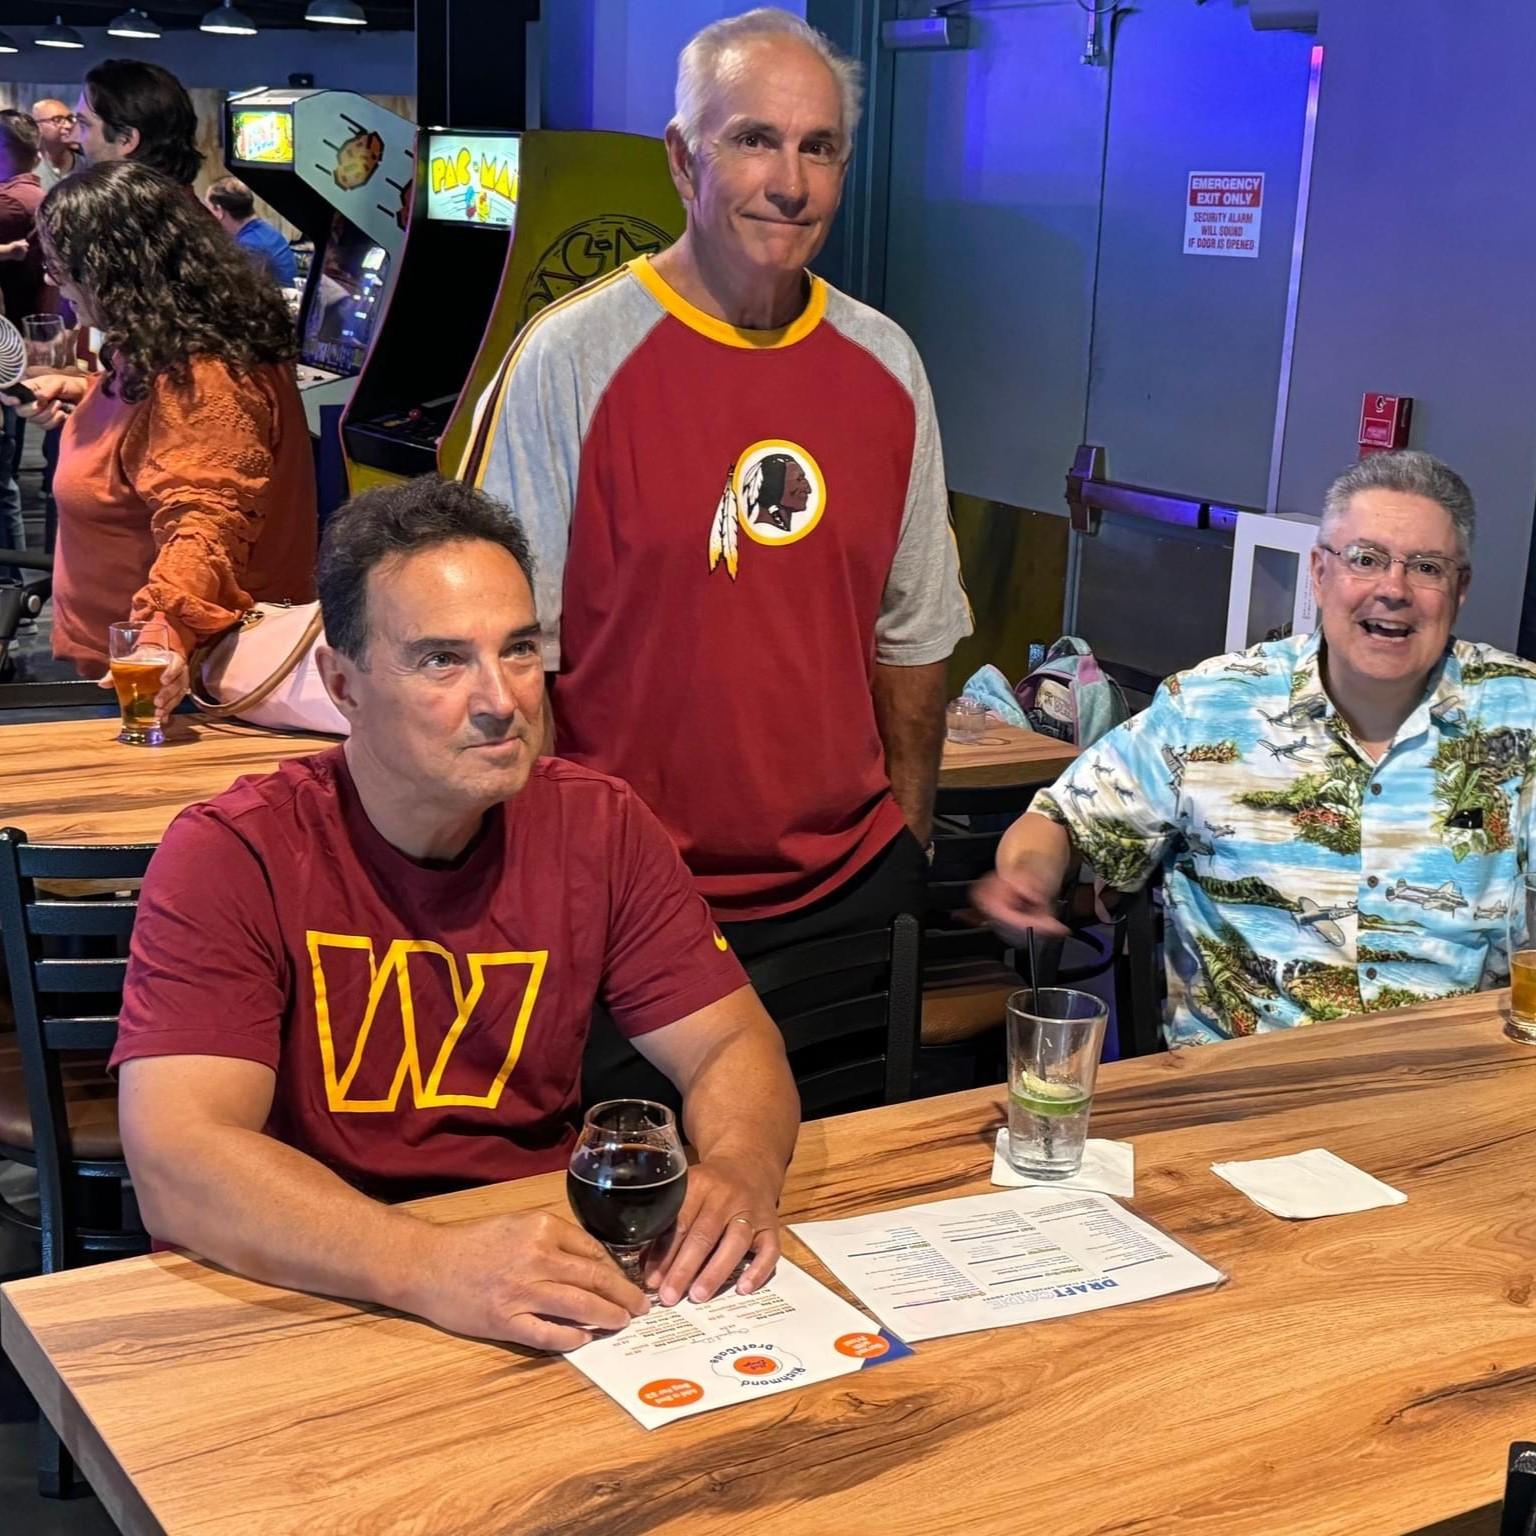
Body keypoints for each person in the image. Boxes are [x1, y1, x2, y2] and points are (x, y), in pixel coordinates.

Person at [111, 475, 800, 1350]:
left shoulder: (600, 824)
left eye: (518, 650)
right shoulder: (233, 852)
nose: (501, 700)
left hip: (536, 1269)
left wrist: (740, 1168)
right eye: (443, 660)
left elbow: (732, 1042)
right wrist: (428, 1265)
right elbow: (179, 1158)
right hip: (312, 1283)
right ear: (342, 683)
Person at [473, 10, 971, 1059]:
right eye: (752, 139)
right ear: (680, 159)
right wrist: (554, 890)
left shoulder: (889, 364)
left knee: (846, 1206)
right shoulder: (571, 360)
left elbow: (915, 646)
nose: (788, 181)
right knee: (648, 1217)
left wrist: (909, 854)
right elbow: (513, 661)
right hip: (635, 904)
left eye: (818, 146)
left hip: (849, 895)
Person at [977, 450, 1536, 1046]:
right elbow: (1061, 821)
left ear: (1460, 589)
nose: (1392, 589)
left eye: (1426, 567)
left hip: (1459, 1089)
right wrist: (1027, 878)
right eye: (1365, 559)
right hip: (1247, 1094)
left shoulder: (1518, 713)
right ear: (1319, 573)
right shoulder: (1213, 705)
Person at [10, 160, 315, 705]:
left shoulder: (205, 375)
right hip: (130, 666)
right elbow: (160, 424)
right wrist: (87, 393)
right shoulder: (172, 342)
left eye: (61, 269)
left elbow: (205, 521)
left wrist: (161, 638)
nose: (55, 286)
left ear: (112, 270)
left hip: (167, 685)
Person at [0, 110, 47, 568]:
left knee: (2, 477)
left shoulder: (11, 204)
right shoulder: (29, 195)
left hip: (9, 338)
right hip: (14, 337)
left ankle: (12, 584)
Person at [72, 58, 202, 188]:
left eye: (84, 125)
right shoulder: (176, 205)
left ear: (126, 140)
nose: (75, 138)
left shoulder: (123, 207)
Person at [206, 175, 297, 288]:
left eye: (209, 210)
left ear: (219, 211)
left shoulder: (248, 246)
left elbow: (242, 293)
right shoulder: (267, 231)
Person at [30, 98, 80, 191]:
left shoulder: (88, 166)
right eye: (57, 120)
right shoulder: (26, 169)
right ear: (37, 127)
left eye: (69, 119)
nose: (68, 125)